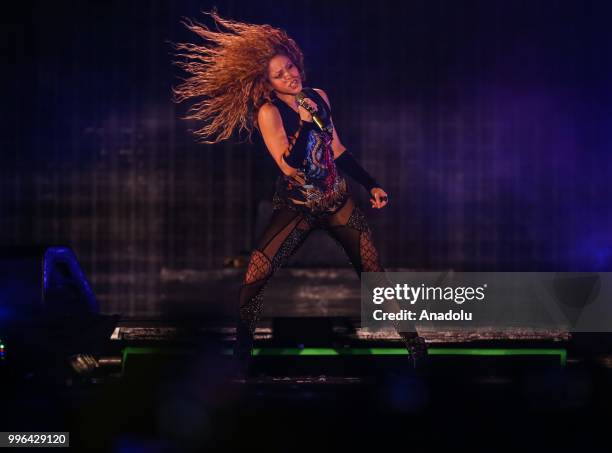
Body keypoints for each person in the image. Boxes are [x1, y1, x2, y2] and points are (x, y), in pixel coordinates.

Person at [172, 11, 428, 375]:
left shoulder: (318, 96)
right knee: (255, 277)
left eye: (290, 67)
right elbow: (289, 165)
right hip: (298, 205)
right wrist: (306, 126)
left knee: (374, 274)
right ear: (267, 83)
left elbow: (336, 149)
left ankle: (416, 348)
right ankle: (240, 359)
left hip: (336, 199)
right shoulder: (269, 112)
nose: (290, 76)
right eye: (280, 74)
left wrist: (370, 183)